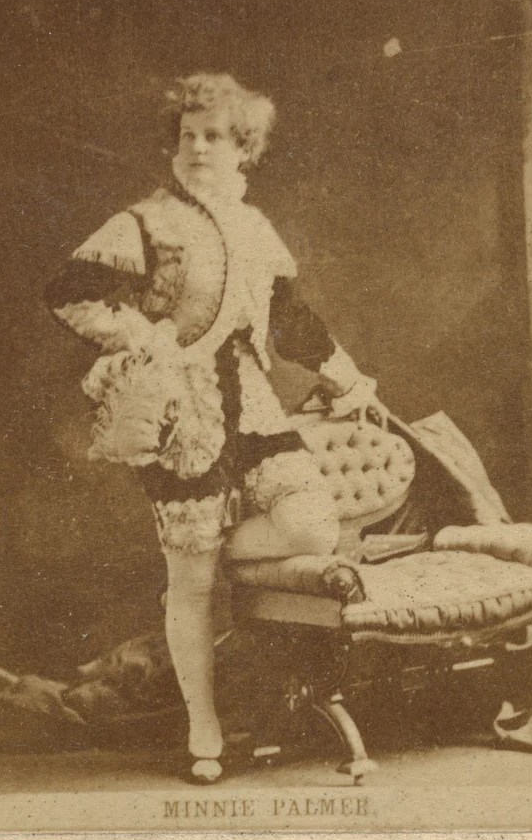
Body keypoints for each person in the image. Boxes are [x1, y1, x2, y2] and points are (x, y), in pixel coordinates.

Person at [46, 73, 383, 783]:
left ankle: (205, 560)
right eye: (188, 136)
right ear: (174, 145)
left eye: (215, 137)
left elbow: (290, 321)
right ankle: (206, 731)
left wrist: (349, 382)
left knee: (310, 524)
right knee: (192, 581)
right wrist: (144, 338)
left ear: (244, 148)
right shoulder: (144, 222)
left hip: (251, 402)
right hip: (179, 411)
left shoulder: (255, 227)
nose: (198, 148)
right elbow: (69, 294)